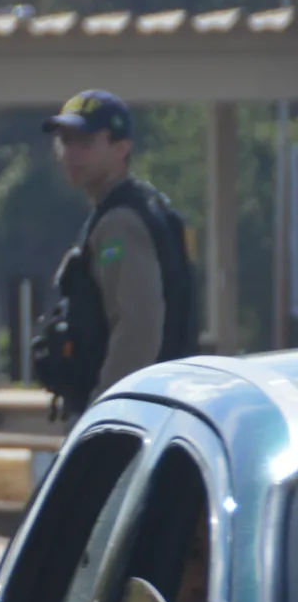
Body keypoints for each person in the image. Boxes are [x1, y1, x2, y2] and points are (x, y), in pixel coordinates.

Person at [34, 89, 198, 417]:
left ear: (121, 148)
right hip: (153, 410)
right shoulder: (135, 208)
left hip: (131, 416)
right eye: (65, 141)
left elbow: (138, 327)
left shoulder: (119, 224)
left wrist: (106, 412)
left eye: (86, 142)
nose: (71, 153)